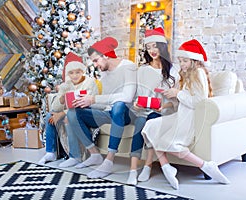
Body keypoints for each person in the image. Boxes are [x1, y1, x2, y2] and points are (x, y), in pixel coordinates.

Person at [141, 39, 230, 189]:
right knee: (150, 126)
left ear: (194, 60)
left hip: (190, 118)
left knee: (173, 144)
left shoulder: (199, 73)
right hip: (181, 114)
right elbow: (182, 100)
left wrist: (178, 93)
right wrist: (168, 101)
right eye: (180, 61)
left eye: (185, 61)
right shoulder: (186, 74)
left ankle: (206, 166)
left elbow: (199, 101)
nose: (181, 64)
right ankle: (166, 167)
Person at [64, 37, 137, 179]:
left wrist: (94, 99)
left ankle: (109, 161)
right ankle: (95, 154)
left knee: (119, 105)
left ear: (106, 55)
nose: (95, 64)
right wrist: (86, 102)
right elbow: (104, 101)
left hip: (127, 113)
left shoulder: (128, 66)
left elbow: (127, 97)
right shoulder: (105, 73)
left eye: (96, 60)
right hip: (109, 113)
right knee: (73, 112)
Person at [126, 27, 179, 185]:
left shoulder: (173, 70)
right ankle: (132, 171)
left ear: (162, 47)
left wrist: (163, 106)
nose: (152, 51)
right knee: (142, 122)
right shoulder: (142, 70)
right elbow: (137, 96)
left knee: (150, 121)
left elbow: (177, 100)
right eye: (148, 48)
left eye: (155, 46)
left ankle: (147, 166)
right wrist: (136, 104)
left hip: (164, 112)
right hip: (144, 111)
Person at [38, 52, 98, 165]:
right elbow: (55, 107)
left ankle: (74, 156)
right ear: (68, 73)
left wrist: (62, 113)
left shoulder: (89, 82)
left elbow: (85, 103)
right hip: (70, 111)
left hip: (86, 111)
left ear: (82, 71)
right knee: (49, 116)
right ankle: (51, 152)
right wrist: (61, 98)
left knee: (67, 117)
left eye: (78, 72)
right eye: (71, 73)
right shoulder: (67, 84)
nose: (75, 75)